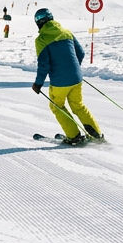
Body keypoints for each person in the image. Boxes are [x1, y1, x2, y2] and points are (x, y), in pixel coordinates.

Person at [31, 8, 102, 145]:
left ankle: (74, 136)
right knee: (78, 106)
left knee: (57, 106)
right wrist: (73, 69)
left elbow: (44, 65)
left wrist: (38, 84)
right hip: (76, 78)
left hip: (60, 82)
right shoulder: (66, 32)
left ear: (38, 23)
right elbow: (80, 53)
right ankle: (96, 135)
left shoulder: (41, 39)